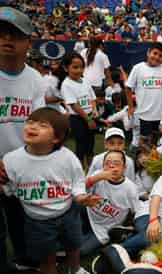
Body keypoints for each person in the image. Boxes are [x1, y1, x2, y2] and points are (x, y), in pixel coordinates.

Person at [2, 107, 100, 274]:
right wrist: (6, 188)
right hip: (37, 221)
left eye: (42, 125)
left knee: (74, 246)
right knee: (46, 257)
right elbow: (8, 187)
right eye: (30, 122)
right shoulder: (11, 160)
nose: (32, 127)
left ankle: (75, 269)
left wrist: (80, 196)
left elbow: (77, 180)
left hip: (68, 213)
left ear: (56, 138)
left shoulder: (67, 157)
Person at [0, 7, 46, 271]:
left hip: (21, 168)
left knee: (22, 222)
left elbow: (39, 124)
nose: (7, 38)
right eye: (2, 33)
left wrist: (18, 163)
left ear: (29, 41)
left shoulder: (35, 80)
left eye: (15, 34)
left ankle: (25, 259)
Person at [81, 150, 143, 256]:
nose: (111, 166)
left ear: (124, 168)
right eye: (107, 163)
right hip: (88, 214)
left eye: (116, 164)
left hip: (104, 229)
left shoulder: (130, 189)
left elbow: (136, 212)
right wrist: (98, 177)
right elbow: (77, 190)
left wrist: (128, 227)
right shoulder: (98, 175)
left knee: (80, 251)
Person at [125, 42, 162, 146]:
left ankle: (152, 158)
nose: (157, 57)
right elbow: (128, 88)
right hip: (143, 115)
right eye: (155, 53)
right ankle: (142, 159)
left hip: (159, 115)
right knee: (143, 142)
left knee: (155, 140)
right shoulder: (138, 68)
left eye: (160, 56)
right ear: (148, 52)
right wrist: (130, 106)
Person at [60, 52, 98, 168]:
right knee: (81, 144)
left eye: (81, 67)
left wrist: (94, 109)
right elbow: (74, 105)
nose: (79, 70)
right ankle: (80, 170)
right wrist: (88, 120)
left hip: (89, 116)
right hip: (78, 119)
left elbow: (92, 97)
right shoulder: (66, 84)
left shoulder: (85, 80)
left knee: (90, 143)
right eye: (75, 67)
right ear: (66, 68)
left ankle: (91, 168)